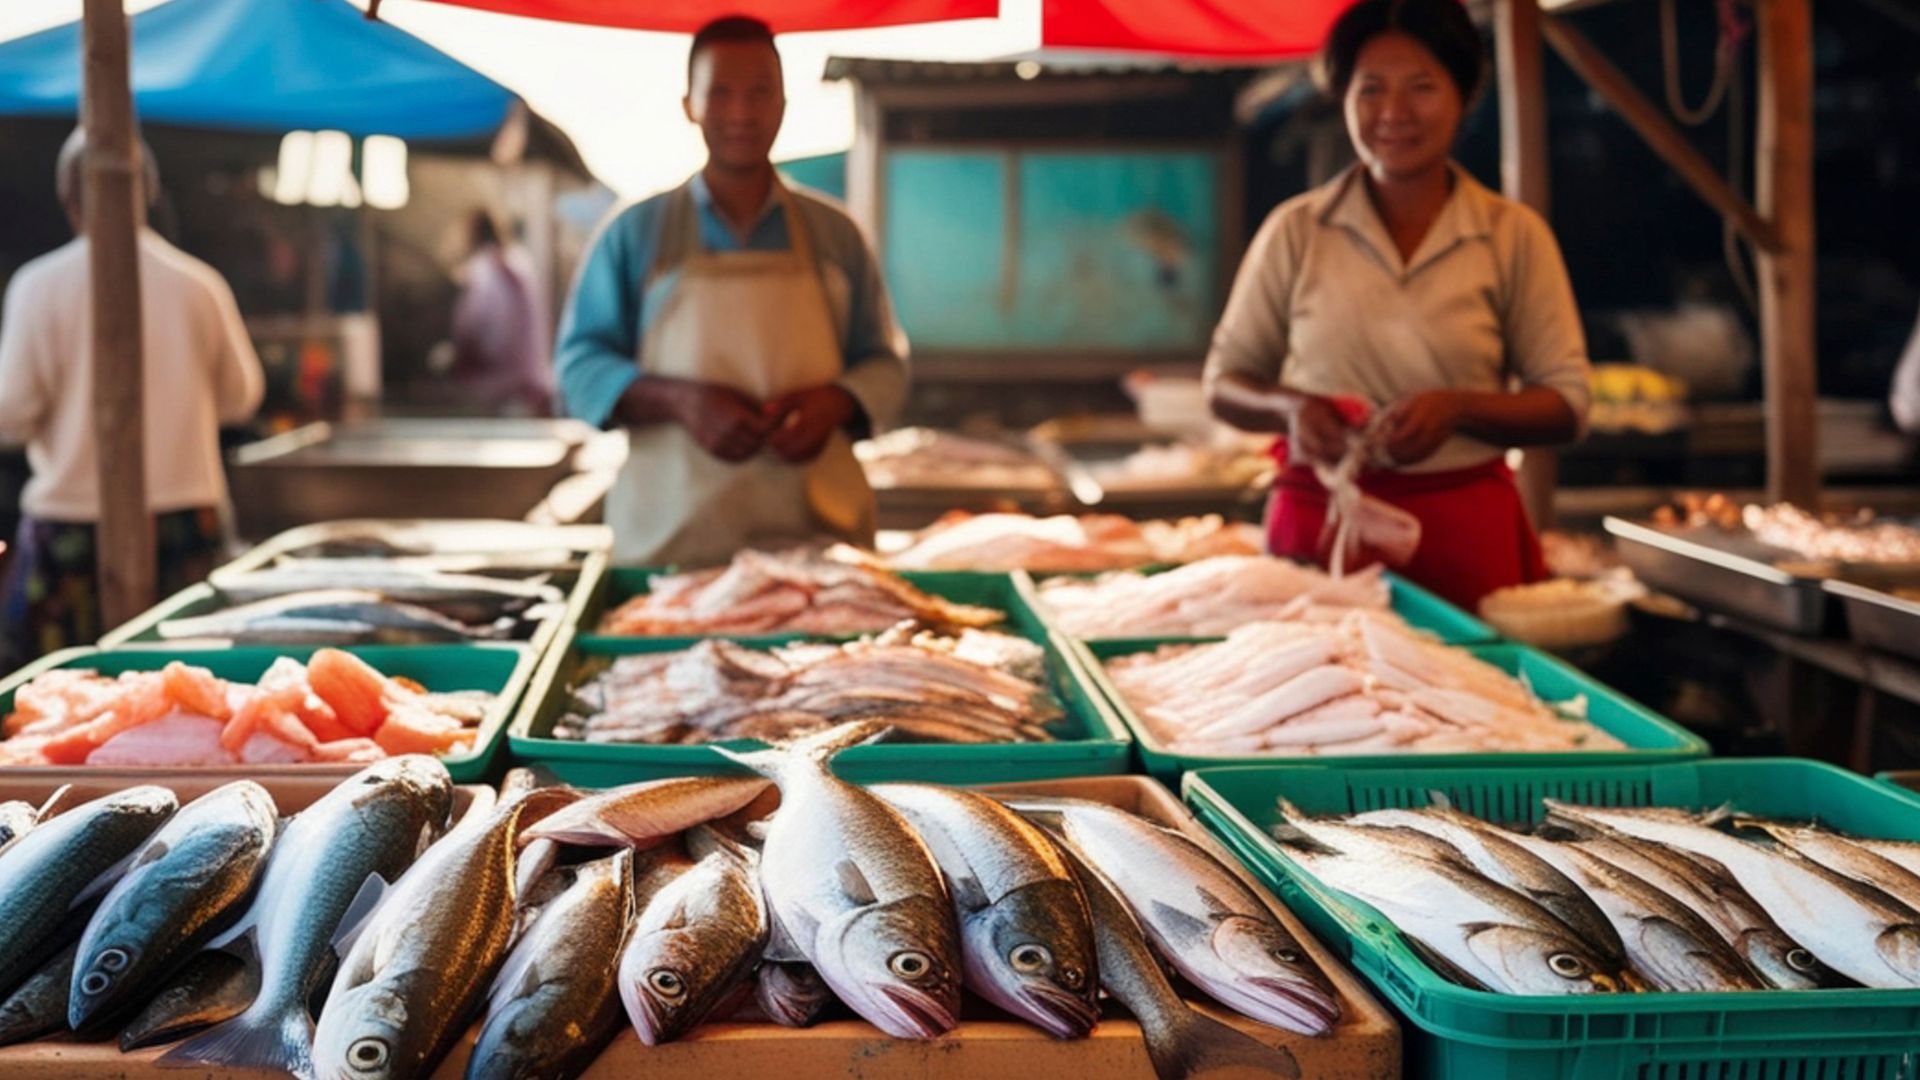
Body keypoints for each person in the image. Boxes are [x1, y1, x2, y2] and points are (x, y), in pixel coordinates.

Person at [1204, 0, 1591, 610]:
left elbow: (1566, 405)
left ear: (1465, 96)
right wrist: (1292, 406)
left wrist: (1457, 409)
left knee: (1476, 701)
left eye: (1422, 88)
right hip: (1320, 535)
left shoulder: (1512, 234)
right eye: (1370, 90)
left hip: (1464, 534)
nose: (1393, 113)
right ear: (1343, 99)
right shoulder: (1296, 230)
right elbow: (1224, 384)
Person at [555, 16, 908, 566]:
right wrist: (682, 403)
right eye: (719, 93)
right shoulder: (634, 232)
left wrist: (836, 402)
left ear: (784, 104)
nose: (741, 113)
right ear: (689, 105)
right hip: (671, 552)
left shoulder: (836, 235)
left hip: (820, 549)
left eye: (759, 92)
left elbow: (885, 363)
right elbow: (580, 369)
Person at [0, 129, 264, 669]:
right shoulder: (199, 284)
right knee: (190, 687)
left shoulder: (39, 285)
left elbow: (10, 415)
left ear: (68, 197)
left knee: (58, 695)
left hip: (70, 531)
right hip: (186, 521)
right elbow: (242, 398)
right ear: (149, 190)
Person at [449, 209, 552, 415]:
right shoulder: (519, 261)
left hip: (499, 392)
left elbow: (482, 333)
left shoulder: (485, 270)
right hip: (530, 388)